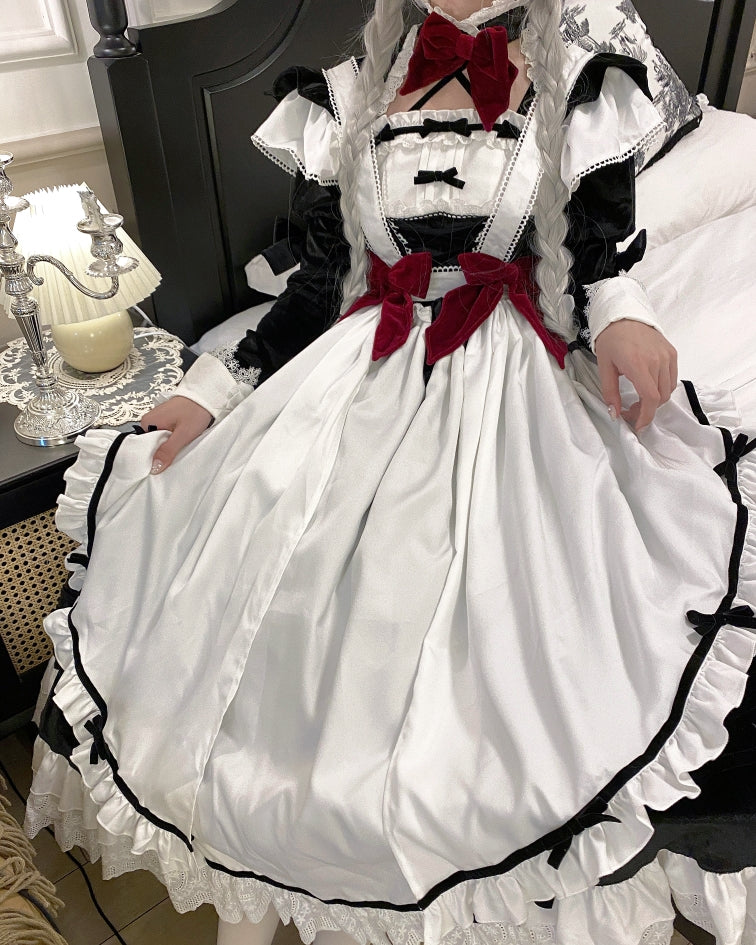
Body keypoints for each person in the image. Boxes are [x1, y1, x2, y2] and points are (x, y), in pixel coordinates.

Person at [24, 2, 756, 945]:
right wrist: (214, 387)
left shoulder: (581, 80)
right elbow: (317, 286)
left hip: (513, 375)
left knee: (535, 626)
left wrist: (620, 313)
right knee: (266, 573)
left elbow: (595, 260)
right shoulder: (346, 96)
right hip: (361, 364)